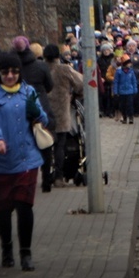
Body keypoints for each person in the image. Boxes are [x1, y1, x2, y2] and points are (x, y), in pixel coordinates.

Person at [0, 52, 48, 272]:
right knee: (2, 209)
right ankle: (7, 248)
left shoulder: (28, 91)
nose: (10, 76)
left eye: (14, 72)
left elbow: (43, 118)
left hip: (26, 159)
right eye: (5, 72)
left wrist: (37, 113)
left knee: (24, 205)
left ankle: (26, 253)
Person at [12, 36, 55, 193]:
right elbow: (50, 85)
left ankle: (23, 177)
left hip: (16, 106)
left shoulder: (12, 67)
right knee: (44, 140)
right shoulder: (41, 66)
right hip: (40, 103)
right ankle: (46, 179)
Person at [43, 44, 83, 187]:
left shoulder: (41, 68)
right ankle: (59, 177)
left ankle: (45, 177)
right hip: (61, 111)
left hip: (43, 111)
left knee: (44, 145)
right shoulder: (64, 69)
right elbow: (81, 83)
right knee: (60, 145)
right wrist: (74, 95)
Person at [113, 55, 137, 125]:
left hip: (130, 91)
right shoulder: (119, 71)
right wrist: (116, 91)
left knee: (130, 105)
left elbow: (134, 81)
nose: (130, 64)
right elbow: (116, 82)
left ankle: (131, 117)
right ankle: (124, 117)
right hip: (122, 91)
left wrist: (135, 89)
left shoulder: (131, 71)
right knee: (122, 106)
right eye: (129, 63)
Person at [97, 43, 115, 118]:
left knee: (111, 97)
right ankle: (103, 110)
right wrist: (100, 77)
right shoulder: (99, 60)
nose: (106, 51)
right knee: (103, 96)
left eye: (108, 50)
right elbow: (98, 70)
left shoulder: (113, 59)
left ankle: (110, 111)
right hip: (103, 80)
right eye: (104, 50)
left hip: (111, 80)